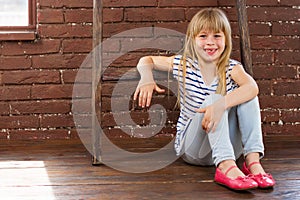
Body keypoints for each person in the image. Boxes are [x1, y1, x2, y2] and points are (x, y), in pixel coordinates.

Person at [133, 8, 275, 191]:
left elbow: (252, 87)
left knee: (248, 96)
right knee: (213, 98)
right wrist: (146, 77)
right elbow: (147, 60)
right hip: (194, 149)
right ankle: (225, 167)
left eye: (217, 36)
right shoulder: (183, 64)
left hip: (229, 147)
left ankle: (252, 163)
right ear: (193, 40)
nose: (210, 42)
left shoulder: (232, 68)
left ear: (226, 39)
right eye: (203, 36)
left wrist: (220, 105)